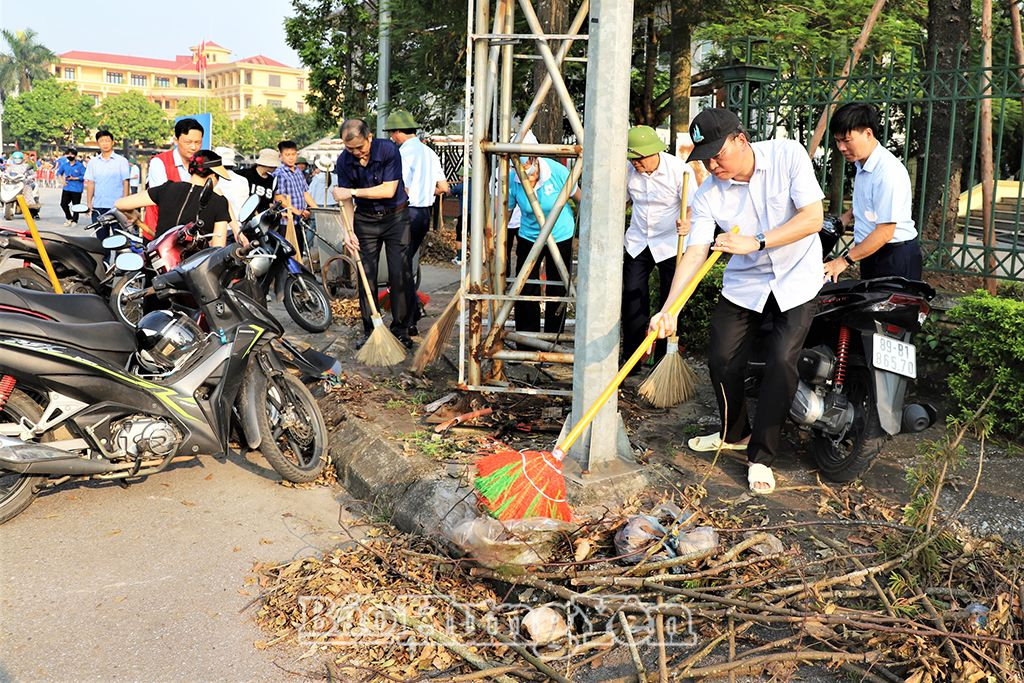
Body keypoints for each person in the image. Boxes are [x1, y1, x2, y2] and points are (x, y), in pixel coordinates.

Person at [649, 108, 825, 496]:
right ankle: (736, 432)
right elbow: (694, 252)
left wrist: (756, 241)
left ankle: (761, 456)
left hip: (797, 278)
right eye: (704, 158)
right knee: (723, 359)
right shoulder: (710, 192)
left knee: (781, 361)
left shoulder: (787, 155)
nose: (712, 165)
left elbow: (813, 218)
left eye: (718, 154)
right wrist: (669, 307)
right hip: (745, 284)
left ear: (740, 140)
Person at [332, 117, 414, 350]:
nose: (356, 153)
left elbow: (388, 190)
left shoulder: (388, 150)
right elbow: (346, 201)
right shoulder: (344, 161)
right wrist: (348, 230)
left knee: (399, 273)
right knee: (366, 274)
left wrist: (352, 191)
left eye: (360, 147)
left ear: (369, 137)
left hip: (396, 217)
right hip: (365, 220)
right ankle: (371, 329)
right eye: (350, 149)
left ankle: (401, 328)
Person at [623, 125, 697, 366]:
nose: (636, 163)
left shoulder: (679, 170)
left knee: (670, 299)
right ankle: (632, 357)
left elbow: (693, 207)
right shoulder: (628, 171)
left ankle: (663, 359)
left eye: (640, 158)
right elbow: (622, 202)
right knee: (633, 297)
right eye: (632, 159)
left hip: (670, 243)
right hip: (638, 241)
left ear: (655, 152)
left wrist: (688, 222)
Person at [824, 103, 922, 281]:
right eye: (838, 141)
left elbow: (885, 232)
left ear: (868, 134)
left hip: (894, 258)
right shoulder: (862, 163)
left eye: (846, 141)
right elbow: (869, 202)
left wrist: (843, 261)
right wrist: (844, 219)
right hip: (871, 253)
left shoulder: (887, 172)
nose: (841, 148)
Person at [384, 110, 450, 335]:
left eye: (392, 133)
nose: (392, 137)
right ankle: (410, 316)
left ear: (398, 132)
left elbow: (398, 186)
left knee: (399, 270)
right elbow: (444, 188)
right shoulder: (429, 153)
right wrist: (423, 191)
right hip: (424, 214)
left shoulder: (401, 153)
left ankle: (407, 319)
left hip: (406, 214)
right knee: (405, 267)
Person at [507, 151, 580, 334]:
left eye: (530, 175)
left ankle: (552, 338)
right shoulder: (512, 180)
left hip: (560, 234)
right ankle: (526, 339)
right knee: (525, 284)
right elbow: (504, 214)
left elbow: (581, 199)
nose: (528, 182)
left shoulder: (556, 171)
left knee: (558, 284)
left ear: (535, 162)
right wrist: (493, 240)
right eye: (522, 176)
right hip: (530, 235)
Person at [115, 149, 233, 246]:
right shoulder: (219, 201)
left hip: (158, 264)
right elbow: (218, 248)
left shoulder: (167, 188)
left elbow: (120, 204)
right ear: (212, 176)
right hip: (190, 268)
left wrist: (136, 217)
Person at [143, 117, 205, 238]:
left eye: (198, 142)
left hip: (189, 234)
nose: (193, 147)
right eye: (188, 142)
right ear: (176, 140)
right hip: (159, 233)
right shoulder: (160, 162)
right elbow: (164, 199)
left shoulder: (202, 163)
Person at [273, 140, 319, 253]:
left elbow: (305, 193)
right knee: (287, 254)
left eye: (293, 154)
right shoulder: (279, 173)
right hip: (285, 221)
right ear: (281, 156)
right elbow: (279, 198)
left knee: (299, 250)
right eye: (287, 155)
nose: (291, 158)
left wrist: (317, 209)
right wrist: (297, 211)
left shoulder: (298, 171)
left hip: (299, 221)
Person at [84, 130, 131, 232]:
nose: (105, 144)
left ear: (113, 142)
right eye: (102, 141)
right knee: (100, 241)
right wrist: (89, 203)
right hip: (99, 207)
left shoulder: (121, 161)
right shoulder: (93, 162)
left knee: (119, 239)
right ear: (98, 143)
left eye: (107, 141)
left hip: (117, 207)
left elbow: (126, 183)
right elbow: (91, 183)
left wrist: (126, 204)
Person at [238, 148, 280, 212]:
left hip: (263, 218)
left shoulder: (272, 180)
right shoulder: (244, 174)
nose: (276, 167)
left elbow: (270, 202)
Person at [55, 147, 86, 226]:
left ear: (75, 156)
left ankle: (75, 220)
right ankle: (69, 218)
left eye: (71, 154)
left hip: (77, 188)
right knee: (63, 204)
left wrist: (75, 178)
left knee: (76, 205)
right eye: (68, 154)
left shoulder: (80, 166)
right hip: (67, 187)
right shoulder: (65, 165)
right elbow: (58, 173)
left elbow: (84, 176)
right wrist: (62, 180)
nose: (70, 156)